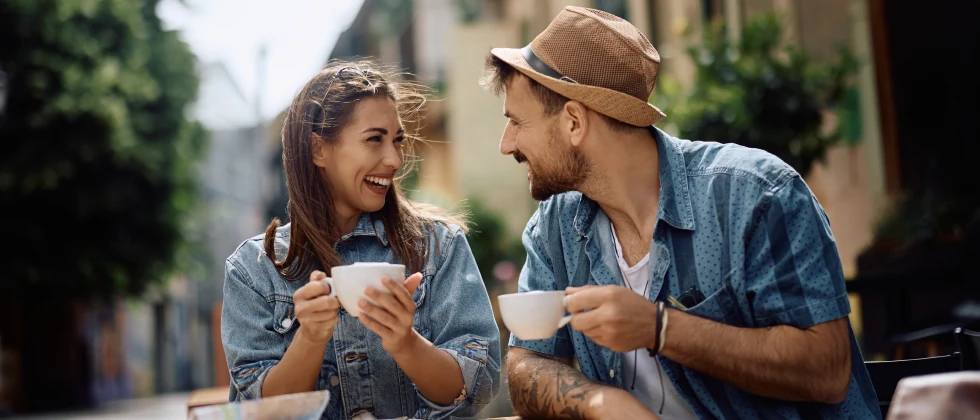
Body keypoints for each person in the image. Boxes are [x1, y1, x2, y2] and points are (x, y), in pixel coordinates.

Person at [482, 6, 879, 420]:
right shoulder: (556, 227)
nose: (506, 144)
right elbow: (527, 365)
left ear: (574, 122)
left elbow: (827, 370)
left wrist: (661, 329)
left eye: (516, 122)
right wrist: (602, 404)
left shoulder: (755, 196)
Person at [221, 61, 500, 420]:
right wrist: (309, 338)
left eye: (397, 140)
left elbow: (480, 386)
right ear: (318, 149)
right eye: (374, 139)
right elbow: (259, 412)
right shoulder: (253, 270)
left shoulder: (438, 246)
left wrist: (406, 342)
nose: (394, 159)